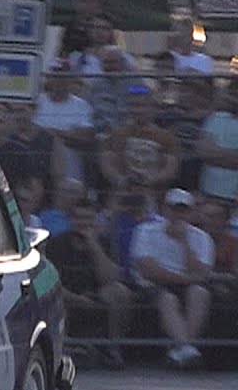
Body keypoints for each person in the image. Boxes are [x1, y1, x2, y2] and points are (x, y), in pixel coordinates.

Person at [131, 188, 214, 368]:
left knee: (199, 293)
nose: (178, 214)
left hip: (188, 284)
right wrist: (188, 279)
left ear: (191, 212)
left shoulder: (202, 237)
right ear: (165, 209)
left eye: (183, 210)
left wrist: (184, 242)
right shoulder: (145, 231)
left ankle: (183, 349)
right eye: (173, 209)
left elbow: (202, 272)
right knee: (167, 298)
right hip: (154, 284)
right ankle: (187, 347)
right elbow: (148, 270)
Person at [46, 198, 132, 367]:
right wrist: (77, 299)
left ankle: (112, 349)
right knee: (54, 297)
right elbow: (52, 283)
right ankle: (62, 350)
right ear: (71, 219)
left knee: (120, 293)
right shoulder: (57, 244)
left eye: (88, 218)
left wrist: (94, 246)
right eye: (79, 218)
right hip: (67, 297)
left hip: (96, 298)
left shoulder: (103, 242)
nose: (83, 223)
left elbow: (111, 278)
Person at [101, 84, 180, 192]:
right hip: (123, 192)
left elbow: (170, 170)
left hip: (153, 192)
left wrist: (152, 179)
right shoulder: (116, 134)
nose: (137, 110)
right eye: (133, 105)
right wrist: (121, 180)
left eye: (141, 106)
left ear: (153, 107)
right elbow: (107, 164)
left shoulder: (166, 137)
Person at [34, 61, 95, 187]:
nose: (59, 80)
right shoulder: (37, 101)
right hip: (38, 152)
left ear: (71, 79)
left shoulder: (81, 105)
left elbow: (85, 137)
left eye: (63, 76)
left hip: (69, 156)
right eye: (55, 76)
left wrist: (49, 133)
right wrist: (65, 134)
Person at [196, 83, 238, 202]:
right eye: (233, 94)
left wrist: (216, 153)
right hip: (208, 194)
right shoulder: (216, 117)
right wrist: (233, 155)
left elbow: (210, 153)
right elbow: (203, 152)